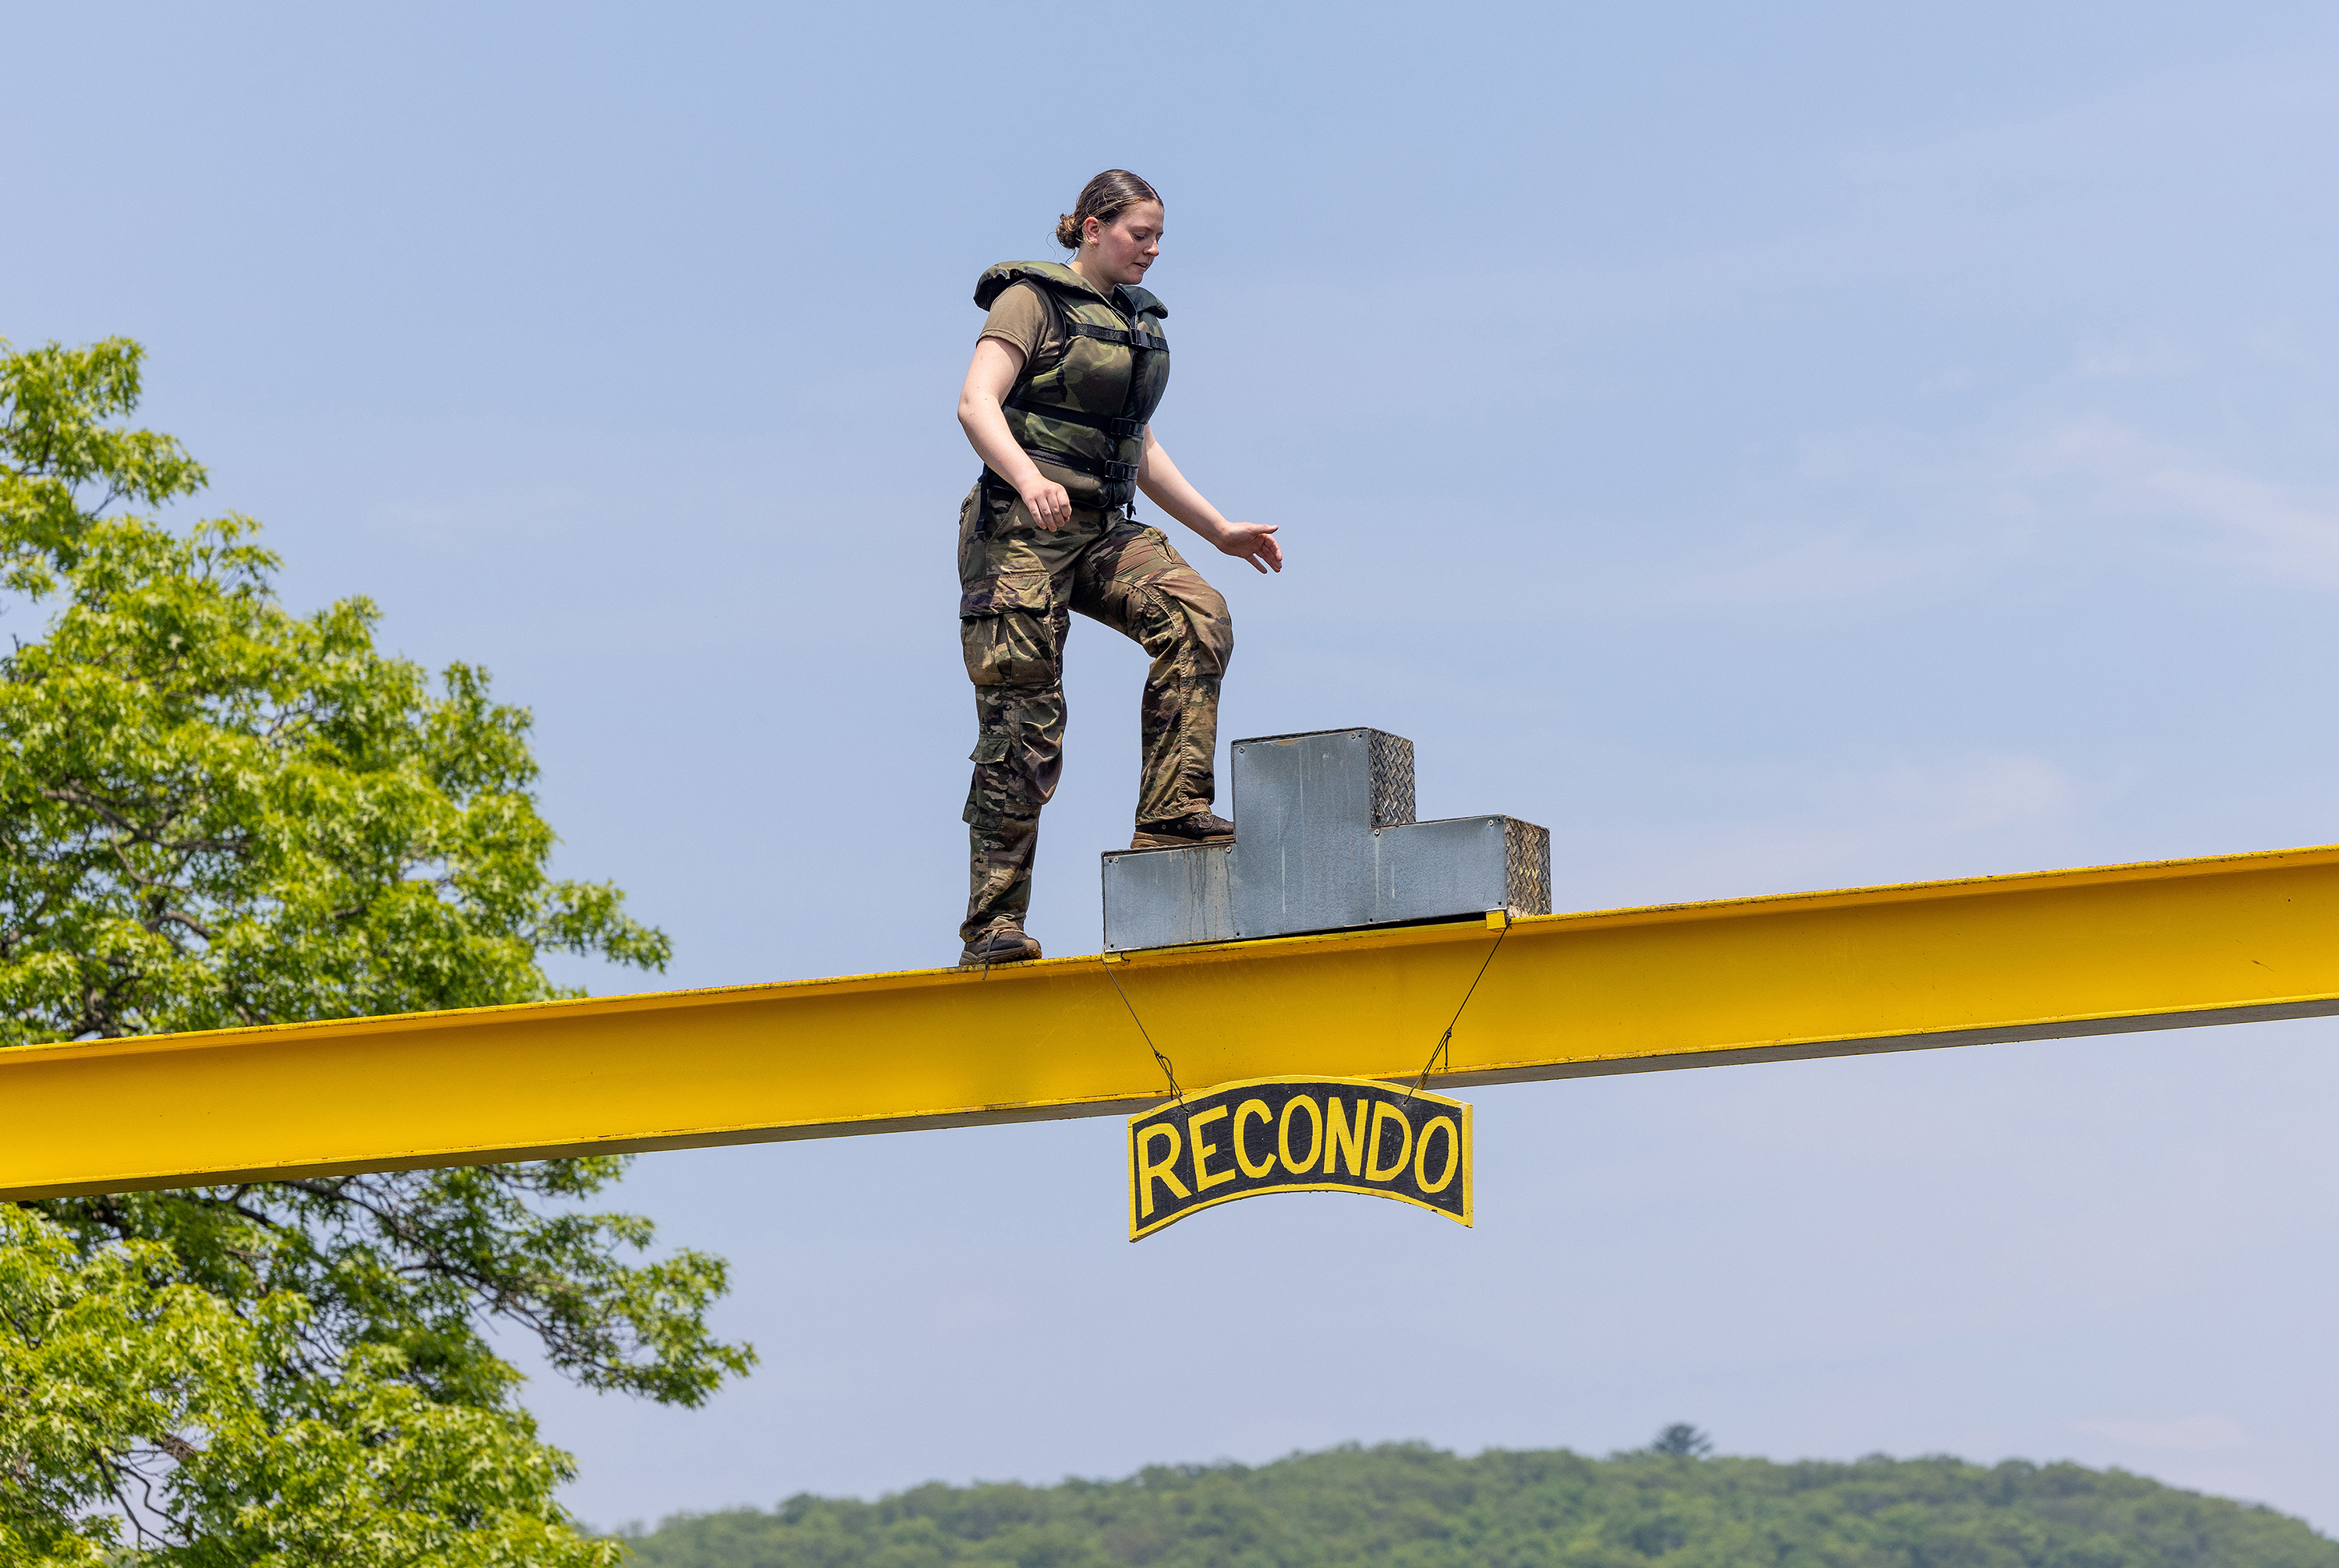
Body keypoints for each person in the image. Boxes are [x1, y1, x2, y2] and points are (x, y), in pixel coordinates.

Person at [953, 169, 1283, 968]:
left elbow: (1140, 448)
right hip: (1020, 532)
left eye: (1160, 236)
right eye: (1140, 234)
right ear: (1093, 228)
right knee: (1024, 725)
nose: (1153, 250)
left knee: (1197, 613)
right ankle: (993, 926)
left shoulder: (1134, 321)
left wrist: (1218, 529)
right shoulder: (1030, 302)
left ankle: (1171, 811)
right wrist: (1027, 478)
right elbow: (976, 401)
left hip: (1101, 528)